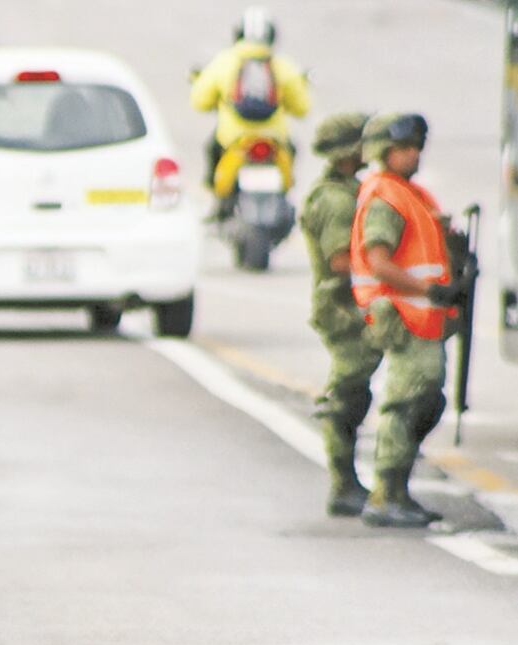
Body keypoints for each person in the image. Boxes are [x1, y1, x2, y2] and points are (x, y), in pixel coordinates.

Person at [350, 112, 468, 528]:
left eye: (417, 146)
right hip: (402, 316)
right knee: (406, 401)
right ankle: (386, 494)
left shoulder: (408, 193)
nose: (414, 154)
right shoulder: (386, 197)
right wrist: (431, 292)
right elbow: (379, 262)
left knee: (427, 398)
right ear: (384, 151)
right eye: (405, 147)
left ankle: (396, 490)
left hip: (419, 316)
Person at [299, 112, 383, 517]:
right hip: (342, 307)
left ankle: (349, 482)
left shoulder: (346, 189)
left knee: (354, 392)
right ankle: (343, 484)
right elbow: (340, 261)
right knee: (347, 395)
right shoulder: (334, 200)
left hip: (349, 305)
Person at [190, 5, 311, 202]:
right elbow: (302, 108)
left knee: (211, 149)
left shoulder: (224, 62)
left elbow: (200, 101)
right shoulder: (284, 66)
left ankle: (218, 203)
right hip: (274, 139)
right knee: (294, 150)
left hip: (233, 138)